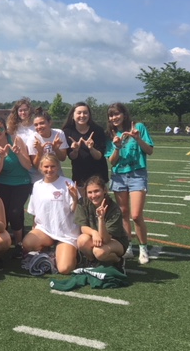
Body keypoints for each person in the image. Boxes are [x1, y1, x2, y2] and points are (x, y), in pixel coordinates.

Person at [105, 102, 154, 264]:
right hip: (119, 176)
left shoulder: (138, 127)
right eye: (111, 115)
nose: (114, 117)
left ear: (124, 114)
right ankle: (128, 247)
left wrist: (138, 138)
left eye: (117, 114)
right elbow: (112, 161)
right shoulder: (110, 134)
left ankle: (143, 248)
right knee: (124, 214)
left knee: (136, 215)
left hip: (137, 175)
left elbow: (149, 150)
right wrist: (117, 147)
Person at [22, 154, 80, 274]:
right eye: (46, 167)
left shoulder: (67, 183)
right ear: (41, 168)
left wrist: (75, 198)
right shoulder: (37, 185)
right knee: (27, 244)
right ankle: (50, 252)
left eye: (53, 166)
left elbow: (76, 211)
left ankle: (74, 254)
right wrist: (34, 228)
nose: (49, 170)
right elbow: (35, 210)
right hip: (45, 230)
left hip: (66, 232)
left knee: (65, 269)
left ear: (58, 167)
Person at [0, 116, 32, 257]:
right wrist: (1, 157)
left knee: (15, 211)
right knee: (4, 215)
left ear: (5, 129)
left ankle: (19, 243)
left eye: (0, 128)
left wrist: (18, 153)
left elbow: (28, 166)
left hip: (22, 182)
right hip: (3, 183)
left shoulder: (16, 140)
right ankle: (6, 241)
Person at [75, 176, 129, 273]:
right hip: (96, 238)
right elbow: (83, 227)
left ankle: (118, 261)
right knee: (82, 240)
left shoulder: (114, 209)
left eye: (96, 191)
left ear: (105, 190)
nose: (93, 195)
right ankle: (92, 262)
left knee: (99, 252)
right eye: (90, 192)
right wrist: (94, 232)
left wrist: (101, 219)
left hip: (116, 241)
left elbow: (106, 239)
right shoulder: (83, 203)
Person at [61, 102, 109, 187]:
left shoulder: (98, 130)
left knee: (97, 199)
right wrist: (75, 151)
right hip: (79, 174)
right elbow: (72, 157)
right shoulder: (67, 132)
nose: (82, 115)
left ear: (89, 115)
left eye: (85, 112)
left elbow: (99, 156)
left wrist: (91, 148)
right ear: (73, 115)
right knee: (81, 200)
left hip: (98, 174)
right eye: (79, 113)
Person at [6, 98, 39, 182]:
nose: (23, 113)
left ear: (30, 111)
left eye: (25, 110)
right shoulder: (13, 128)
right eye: (20, 110)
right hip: (21, 163)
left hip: (36, 162)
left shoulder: (36, 126)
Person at [29, 108, 68, 175]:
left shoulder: (59, 133)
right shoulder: (33, 138)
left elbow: (62, 158)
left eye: (42, 123)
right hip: (39, 177)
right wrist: (40, 152)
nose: (39, 127)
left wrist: (56, 149)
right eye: (36, 125)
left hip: (57, 174)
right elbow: (36, 166)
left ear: (50, 122)